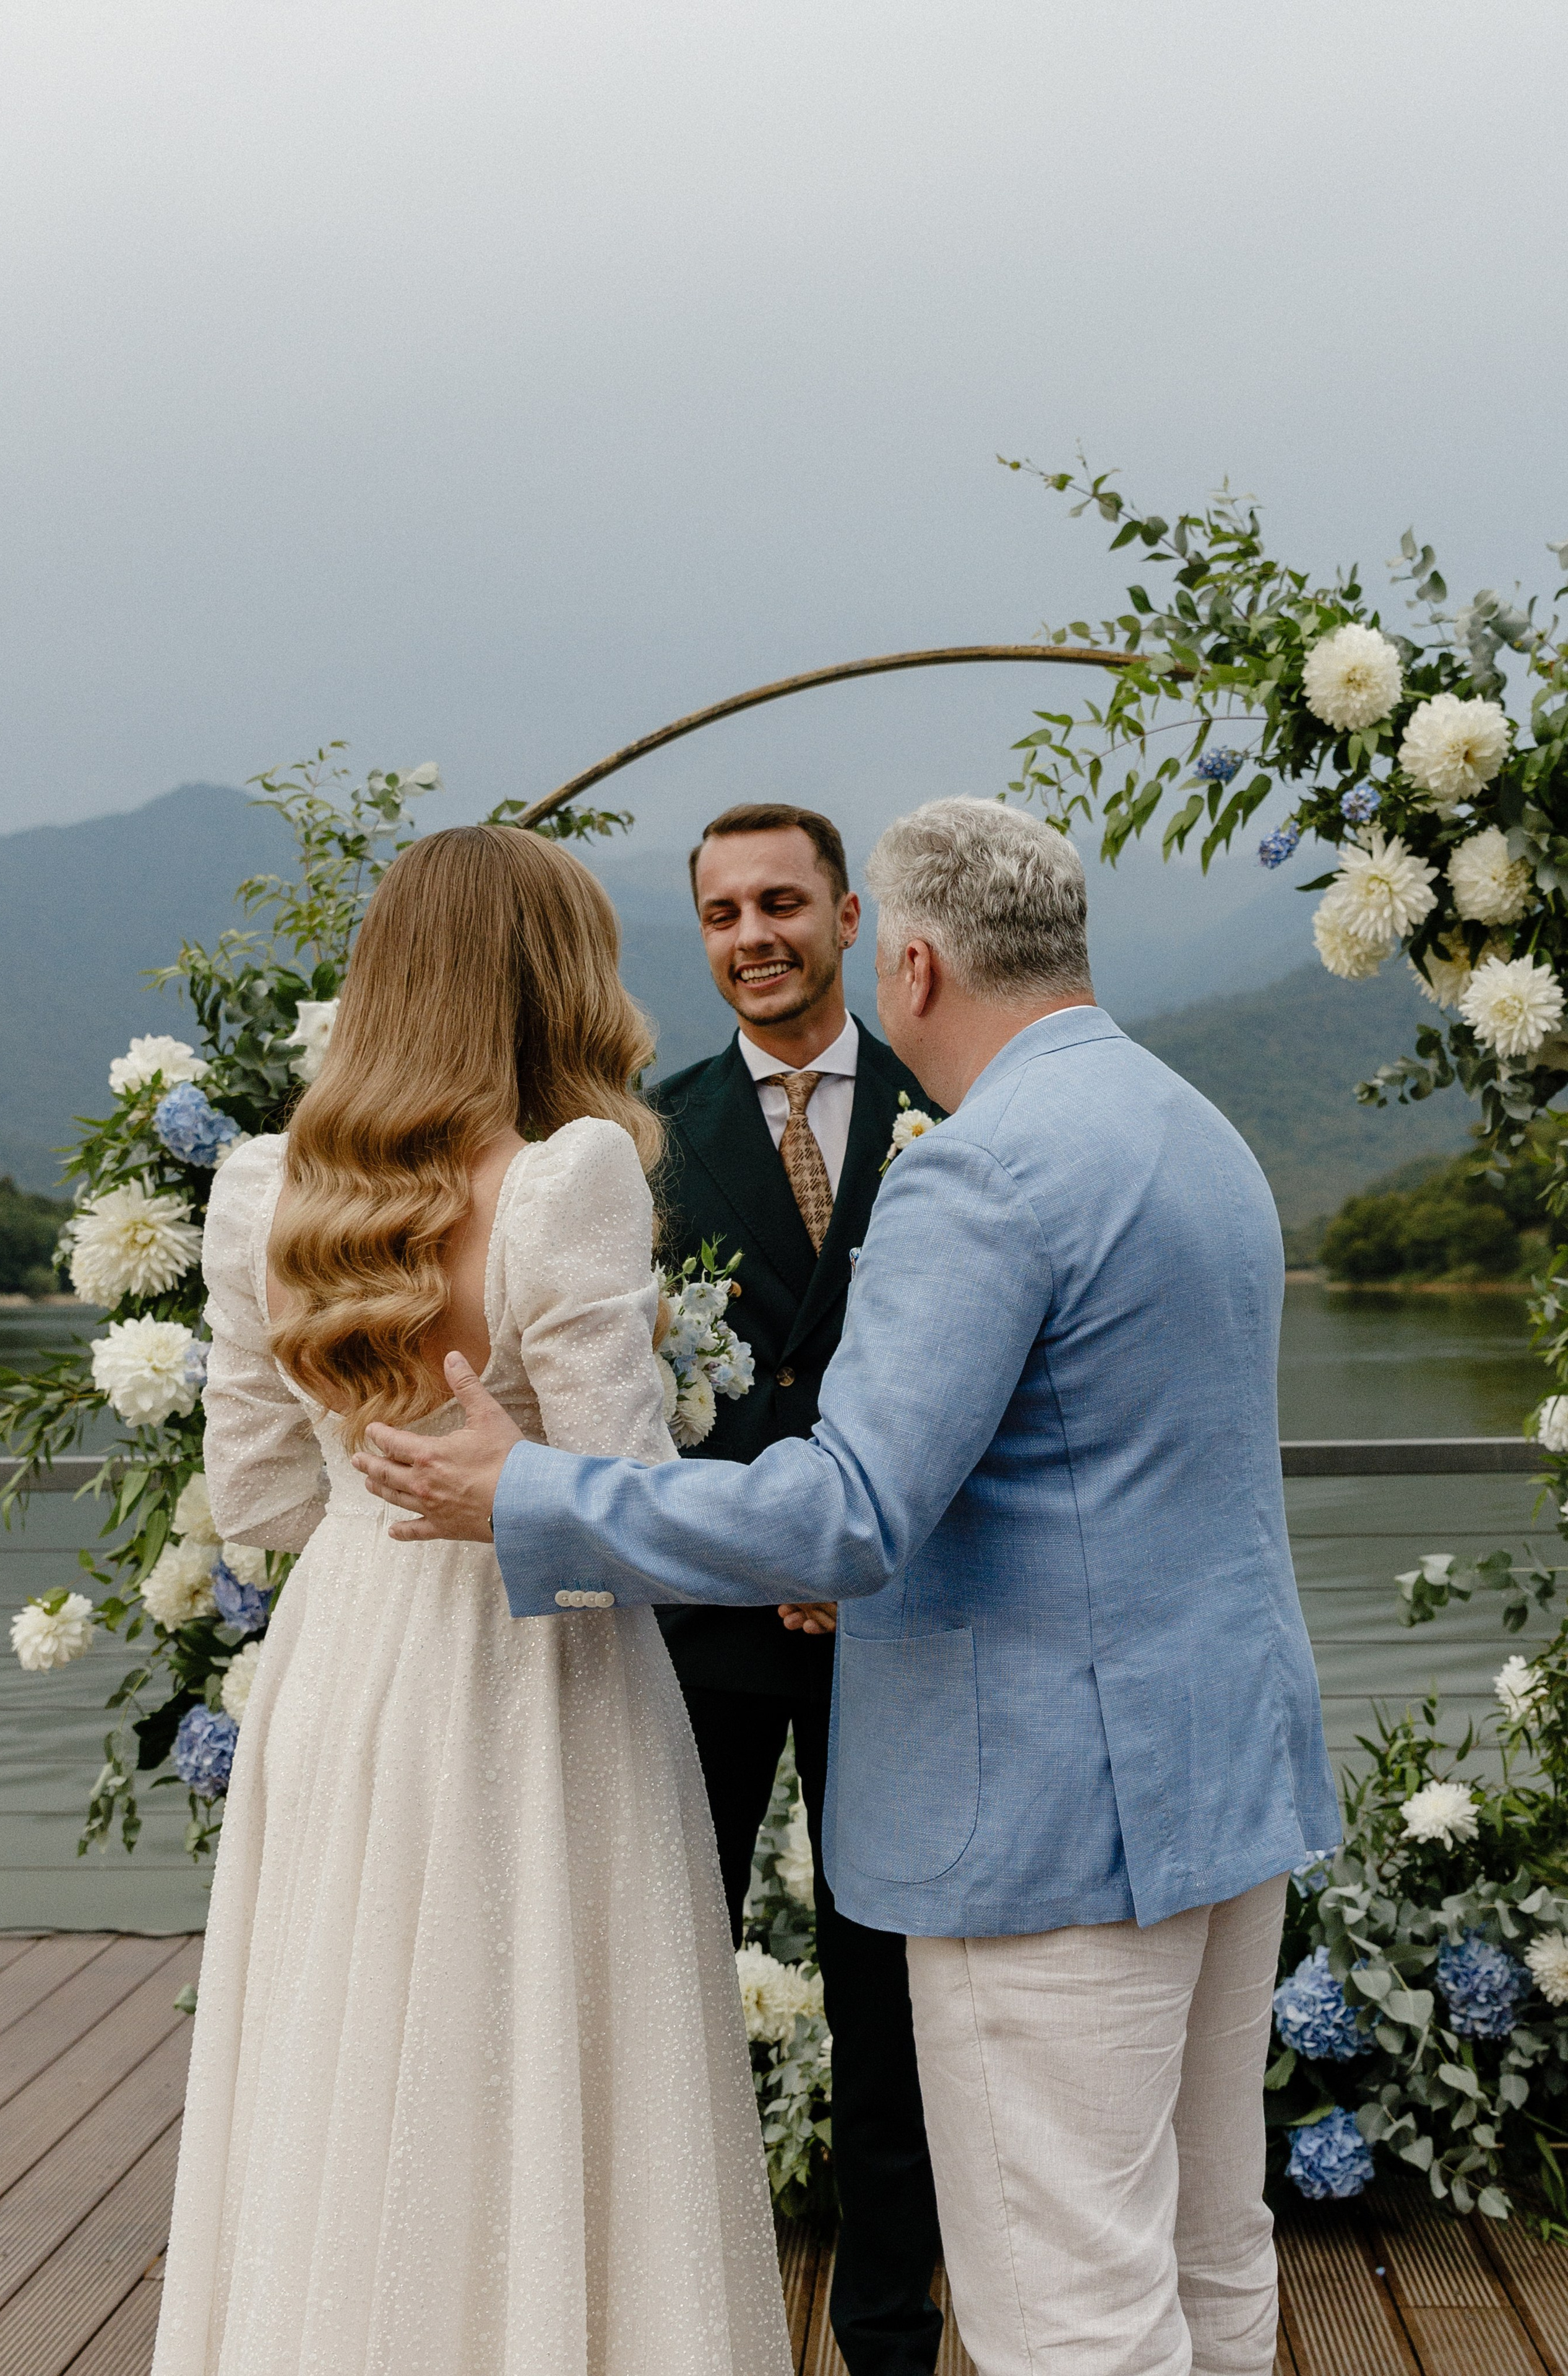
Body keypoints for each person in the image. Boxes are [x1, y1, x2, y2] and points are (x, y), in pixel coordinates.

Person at [355, 796, 1343, 2376]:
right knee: (1206, 2256)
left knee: (1070, 2313)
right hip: (1226, 1783)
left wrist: (528, 1493)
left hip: (1047, 1832)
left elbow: (851, 1512)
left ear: (914, 962)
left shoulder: (982, 1171)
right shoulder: (1190, 1128)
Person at [151, 825, 791, 2376]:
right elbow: (624, 1515)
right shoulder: (568, 1179)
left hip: (342, 1653)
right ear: (554, 976)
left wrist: (375, 1468)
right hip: (533, 1662)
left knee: (345, 2049)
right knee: (537, 2042)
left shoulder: (259, 1194)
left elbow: (261, 1505)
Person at [653, 801, 943, 2376]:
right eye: (722, 913)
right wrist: (772, 1543)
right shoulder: (647, 1133)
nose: (751, 936)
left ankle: (888, 2337)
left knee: (884, 1997)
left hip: (896, 1623)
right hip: (700, 1628)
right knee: (662, 1973)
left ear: (846, 916)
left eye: (779, 902)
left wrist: (851, 1544)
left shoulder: (942, 1106)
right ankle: (670, 2319)